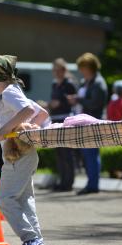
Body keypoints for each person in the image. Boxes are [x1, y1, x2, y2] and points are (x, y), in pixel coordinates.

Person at [0, 55, 48, 245]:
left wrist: (5, 129)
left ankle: (31, 240)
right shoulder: (13, 91)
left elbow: (29, 111)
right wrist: (28, 130)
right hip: (23, 154)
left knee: (4, 199)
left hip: (17, 156)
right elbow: (41, 114)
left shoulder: (9, 91)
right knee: (24, 200)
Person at [68, 53, 108, 195]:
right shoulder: (88, 82)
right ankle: (91, 183)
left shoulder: (98, 83)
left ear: (89, 67)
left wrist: (78, 100)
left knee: (91, 154)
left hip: (92, 123)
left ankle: (93, 185)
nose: (81, 71)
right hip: (85, 123)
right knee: (88, 154)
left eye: (83, 68)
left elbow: (95, 104)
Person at [49, 58, 76, 192]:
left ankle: (68, 182)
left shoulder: (69, 84)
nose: (56, 73)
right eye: (55, 70)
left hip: (65, 119)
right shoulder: (55, 85)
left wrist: (60, 103)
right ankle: (61, 180)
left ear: (64, 70)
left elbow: (72, 102)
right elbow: (53, 100)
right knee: (59, 152)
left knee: (67, 152)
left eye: (59, 70)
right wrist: (50, 104)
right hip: (55, 119)